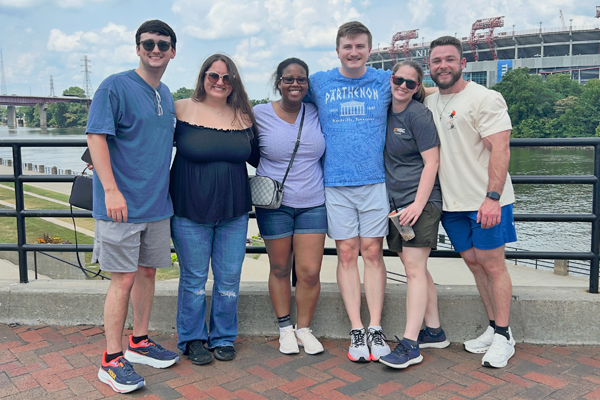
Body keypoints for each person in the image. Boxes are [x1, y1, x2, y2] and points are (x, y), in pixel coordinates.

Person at [87, 20, 179, 394]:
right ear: (137, 48)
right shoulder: (114, 86)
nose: (155, 50)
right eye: (148, 44)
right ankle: (111, 360)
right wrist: (111, 190)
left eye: (162, 44)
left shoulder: (168, 93)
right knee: (122, 280)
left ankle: (139, 341)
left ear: (173, 50)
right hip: (120, 206)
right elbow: (96, 136)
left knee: (147, 274)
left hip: (156, 204)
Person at [423, 36, 517, 368]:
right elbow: (419, 92)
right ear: (429, 67)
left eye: (450, 59)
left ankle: (505, 336)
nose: (443, 65)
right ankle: (494, 327)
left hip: (486, 202)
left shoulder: (485, 98)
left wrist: (492, 198)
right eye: (436, 61)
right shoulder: (432, 102)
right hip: (453, 204)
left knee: (494, 265)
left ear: (463, 63)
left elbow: (501, 149)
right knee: (476, 265)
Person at [308, 21, 392, 362]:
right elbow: (289, 95)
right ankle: (356, 330)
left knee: (372, 252)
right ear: (338, 49)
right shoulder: (320, 82)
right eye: (347, 46)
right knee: (346, 254)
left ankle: (375, 326)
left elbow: (420, 90)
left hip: (374, 181)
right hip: (335, 182)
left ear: (370, 50)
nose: (353, 52)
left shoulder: (385, 81)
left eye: (360, 46)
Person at [170, 54, 259, 365]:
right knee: (193, 279)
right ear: (203, 77)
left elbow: (265, 156)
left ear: (234, 81)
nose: (220, 82)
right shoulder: (180, 109)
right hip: (189, 210)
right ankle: (192, 338)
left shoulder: (245, 116)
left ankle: (222, 336)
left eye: (226, 77)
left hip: (234, 213)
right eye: (213, 76)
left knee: (229, 279)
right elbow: (149, 145)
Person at [377, 60, 449, 369]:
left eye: (411, 83)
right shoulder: (385, 108)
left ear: (417, 88)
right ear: (390, 79)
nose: (403, 86)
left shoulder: (418, 115)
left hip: (420, 202)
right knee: (412, 265)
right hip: (396, 204)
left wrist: (419, 205)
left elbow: (431, 162)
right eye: (398, 80)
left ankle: (410, 344)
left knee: (414, 270)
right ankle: (434, 330)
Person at [254, 58, 327, 356]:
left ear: (307, 84)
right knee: (280, 267)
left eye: (301, 79)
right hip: (274, 204)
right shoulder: (259, 113)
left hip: (313, 201)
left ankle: (304, 329)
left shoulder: (317, 113)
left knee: (309, 271)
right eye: (288, 79)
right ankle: (285, 328)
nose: (294, 84)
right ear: (278, 82)